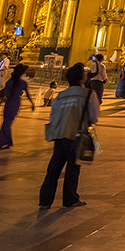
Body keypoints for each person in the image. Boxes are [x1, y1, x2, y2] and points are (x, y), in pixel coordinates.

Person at [39, 63, 98, 210]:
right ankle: (70, 199)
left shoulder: (61, 95)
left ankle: (45, 201)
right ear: (82, 78)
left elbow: (53, 116)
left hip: (60, 135)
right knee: (73, 169)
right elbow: (94, 116)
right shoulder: (89, 94)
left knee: (53, 170)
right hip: (77, 135)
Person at [0, 64, 35, 150]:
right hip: (15, 105)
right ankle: (5, 141)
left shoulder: (9, 82)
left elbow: (3, 96)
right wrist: (32, 104)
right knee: (7, 124)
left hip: (8, 104)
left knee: (6, 123)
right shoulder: (23, 83)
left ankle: (3, 141)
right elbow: (28, 95)